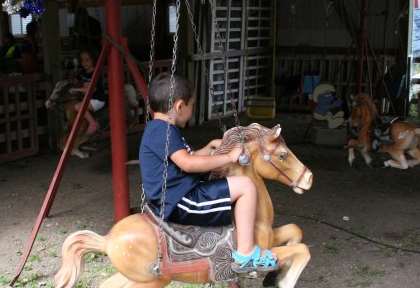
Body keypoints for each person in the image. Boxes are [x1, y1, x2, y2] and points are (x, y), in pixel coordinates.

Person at [138, 72, 278, 274]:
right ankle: (246, 254)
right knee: (246, 185)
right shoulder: (164, 131)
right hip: (182, 201)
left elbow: (187, 156)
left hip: (177, 196)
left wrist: (210, 147)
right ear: (179, 106)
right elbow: (187, 163)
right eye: (192, 105)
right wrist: (228, 157)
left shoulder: (158, 128)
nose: (192, 110)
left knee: (235, 182)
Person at [68, 48, 106, 134]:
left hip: (97, 99)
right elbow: (76, 82)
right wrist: (72, 78)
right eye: (82, 60)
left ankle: (93, 123)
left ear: (93, 60)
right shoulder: (82, 72)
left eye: (87, 60)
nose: (84, 62)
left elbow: (92, 90)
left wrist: (75, 89)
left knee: (78, 106)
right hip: (87, 99)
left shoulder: (95, 74)